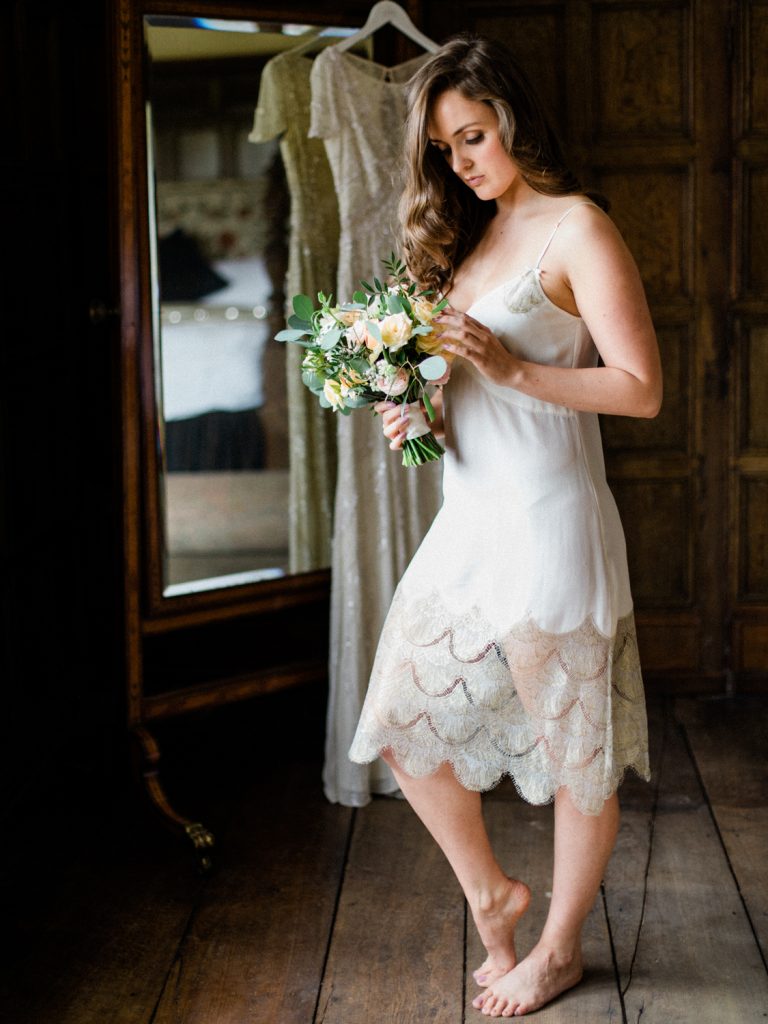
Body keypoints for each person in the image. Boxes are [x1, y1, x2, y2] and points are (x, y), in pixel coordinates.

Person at [347, 33, 662, 1019]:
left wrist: (515, 368)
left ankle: (559, 950)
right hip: (469, 520)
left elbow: (641, 389)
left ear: (514, 120)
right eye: (445, 149)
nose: (462, 162)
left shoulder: (578, 229)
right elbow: (473, 400)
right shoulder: (472, 244)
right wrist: (421, 416)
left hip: (552, 523)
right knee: (400, 722)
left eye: (474, 137)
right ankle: (492, 893)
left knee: (577, 753)